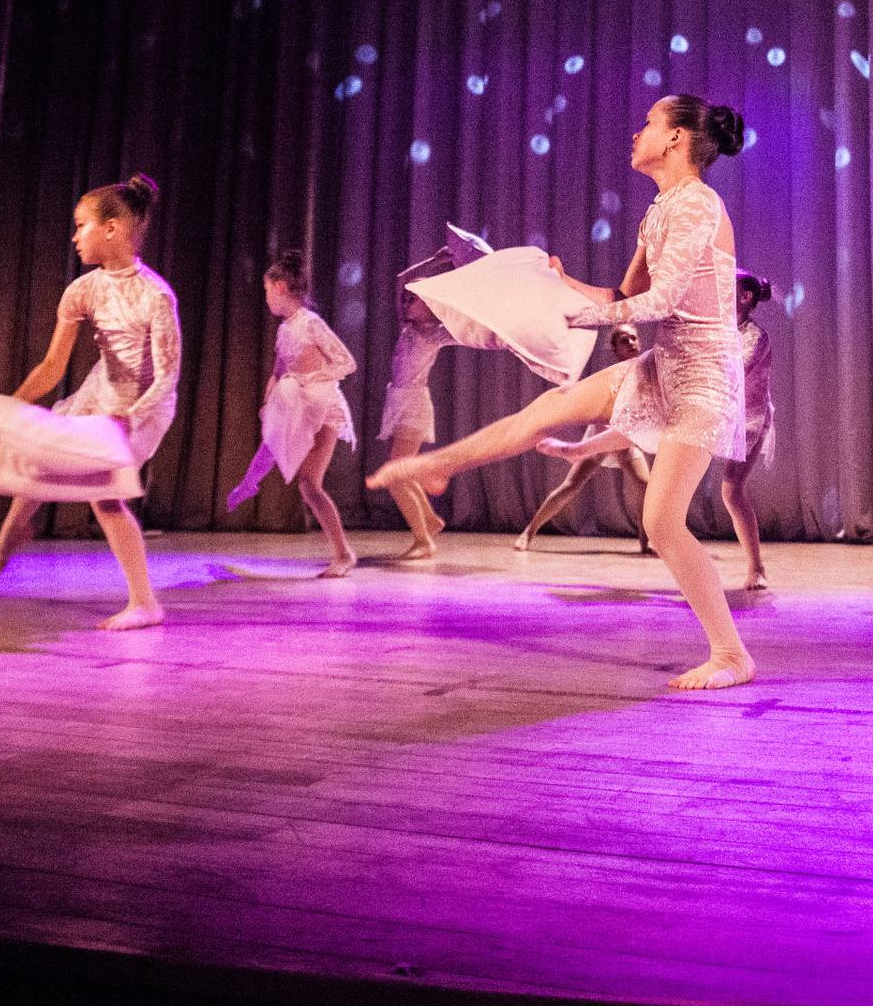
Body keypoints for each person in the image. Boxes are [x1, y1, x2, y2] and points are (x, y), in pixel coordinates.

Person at [369, 94, 755, 690]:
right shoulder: (659, 210)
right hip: (668, 364)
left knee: (661, 521)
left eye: (648, 123)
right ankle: (438, 466)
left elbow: (662, 301)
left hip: (705, 377)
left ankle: (731, 655)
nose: (636, 133)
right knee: (547, 409)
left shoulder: (698, 203)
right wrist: (562, 284)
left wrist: (582, 318)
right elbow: (620, 296)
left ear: (676, 138)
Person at [0, 175, 180, 631]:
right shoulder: (82, 290)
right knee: (43, 451)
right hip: (102, 392)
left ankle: (145, 603)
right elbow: (52, 366)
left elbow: (167, 376)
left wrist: (130, 416)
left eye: (81, 225)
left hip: (144, 406)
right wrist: (11, 405)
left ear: (111, 229)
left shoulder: (155, 294)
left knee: (104, 497)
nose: (74, 237)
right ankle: (13, 528)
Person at [226, 249, 359, 577]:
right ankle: (249, 483)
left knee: (309, 484)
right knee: (275, 439)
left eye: (267, 289)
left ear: (282, 287)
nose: (266, 296)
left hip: (323, 406)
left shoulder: (311, 323)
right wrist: (270, 399)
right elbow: (279, 369)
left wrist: (312, 379)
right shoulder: (284, 329)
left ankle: (344, 554)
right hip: (297, 401)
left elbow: (347, 362)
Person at [515, 323, 652, 554]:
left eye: (633, 338)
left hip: (623, 438)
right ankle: (528, 532)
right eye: (624, 340)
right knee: (570, 486)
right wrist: (606, 439)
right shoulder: (611, 376)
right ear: (615, 349)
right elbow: (596, 409)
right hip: (601, 436)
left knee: (645, 486)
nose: (631, 343)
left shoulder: (644, 372)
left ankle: (645, 542)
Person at [376, 292, 457, 559]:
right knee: (404, 472)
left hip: (414, 404)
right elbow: (402, 280)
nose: (406, 304)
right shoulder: (408, 327)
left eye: (413, 300)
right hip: (396, 402)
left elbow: (468, 335)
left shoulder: (437, 333)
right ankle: (430, 522)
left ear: (428, 304)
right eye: (405, 300)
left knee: (396, 475)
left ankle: (424, 542)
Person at [720, 269, 776, 590]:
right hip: (721, 413)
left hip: (749, 420)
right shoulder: (720, 330)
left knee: (732, 490)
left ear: (744, 297)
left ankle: (757, 567)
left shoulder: (755, 336)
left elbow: (735, 372)